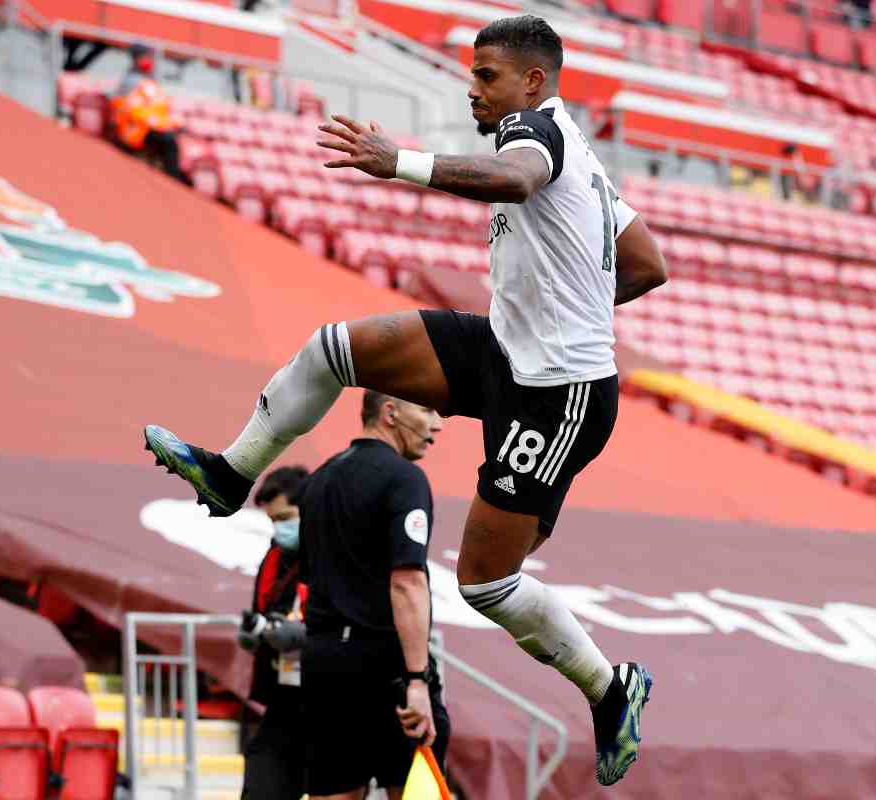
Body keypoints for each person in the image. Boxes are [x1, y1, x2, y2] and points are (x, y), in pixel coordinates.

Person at [143, 14, 666, 786]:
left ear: (533, 80)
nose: (473, 88)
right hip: (505, 350)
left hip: (559, 394)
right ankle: (231, 472)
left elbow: (519, 179)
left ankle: (609, 687)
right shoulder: (579, 158)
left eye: (486, 75)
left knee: (487, 583)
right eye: (473, 74)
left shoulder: (538, 135)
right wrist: (571, 304)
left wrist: (399, 162)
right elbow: (647, 263)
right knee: (336, 350)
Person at [295, 391, 449, 799]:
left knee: (334, 792)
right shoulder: (404, 478)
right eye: (428, 410)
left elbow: (308, 579)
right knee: (416, 792)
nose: (438, 424)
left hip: (325, 662)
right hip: (385, 665)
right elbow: (407, 582)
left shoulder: (318, 480)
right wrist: (417, 679)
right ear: (391, 412)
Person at [239, 465, 310, 800]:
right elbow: (262, 608)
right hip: (282, 694)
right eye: (273, 521)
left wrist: (302, 634)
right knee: (261, 780)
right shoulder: (274, 557)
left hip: (327, 696)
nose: (279, 528)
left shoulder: (336, 556)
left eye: (286, 517)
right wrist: (256, 634)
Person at [110, 44, 189, 185]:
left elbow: (159, 110)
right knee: (169, 141)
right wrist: (162, 124)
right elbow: (135, 111)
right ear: (136, 59)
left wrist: (171, 123)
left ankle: (175, 174)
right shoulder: (130, 82)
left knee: (174, 138)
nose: (149, 60)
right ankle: (174, 179)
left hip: (149, 126)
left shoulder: (150, 81)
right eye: (146, 57)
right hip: (134, 130)